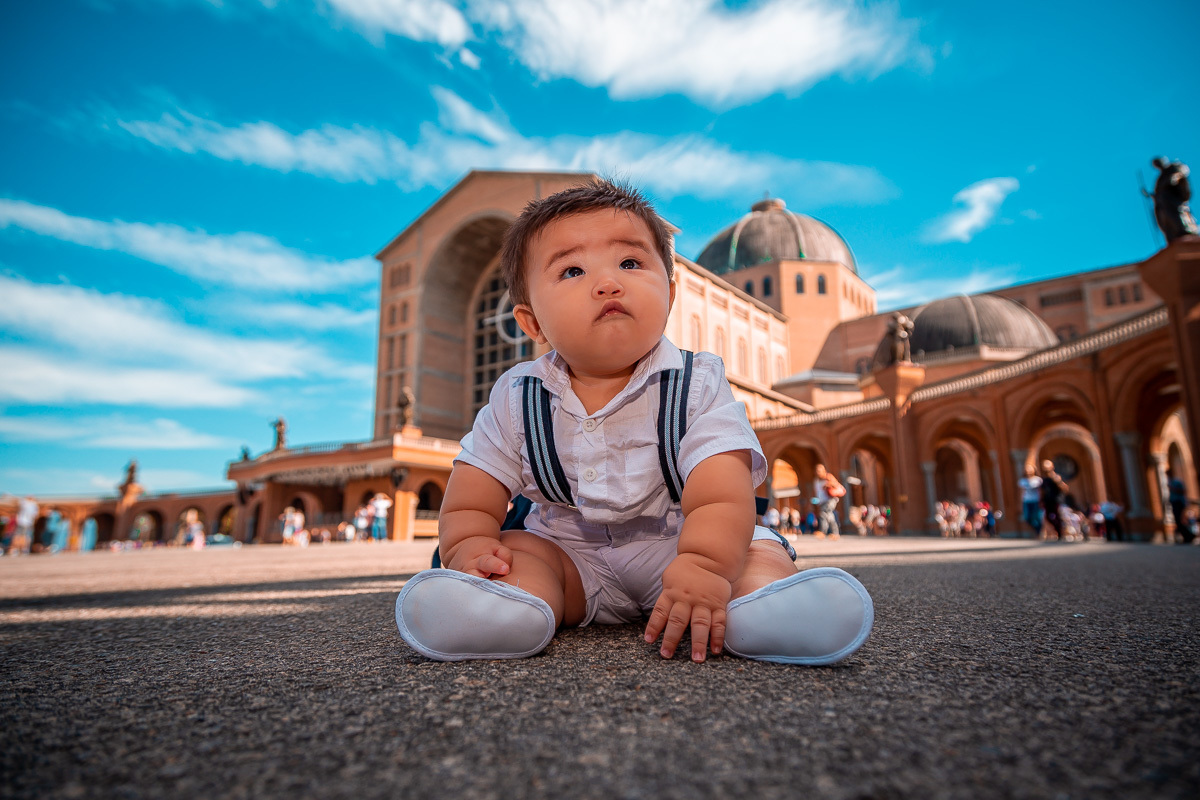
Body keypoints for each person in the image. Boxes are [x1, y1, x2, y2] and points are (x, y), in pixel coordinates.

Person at [395, 180, 873, 665]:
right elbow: (472, 492)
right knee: (518, 551)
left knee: (753, 552)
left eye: (629, 263)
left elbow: (720, 488)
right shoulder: (517, 396)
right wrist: (470, 547)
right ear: (532, 322)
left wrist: (706, 565)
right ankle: (499, 611)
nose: (607, 283)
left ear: (669, 294)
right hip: (572, 557)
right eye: (573, 270)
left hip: (683, 544)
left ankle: (767, 611)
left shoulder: (697, 382)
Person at [812, 464, 844, 539]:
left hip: (831, 499)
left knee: (824, 513)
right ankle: (834, 533)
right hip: (822, 501)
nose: (818, 472)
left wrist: (828, 484)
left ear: (824, 470)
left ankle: (825, 531)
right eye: (817, 471)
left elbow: (836, 484)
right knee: (827, 515)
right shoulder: (816, 480)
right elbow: (816, 491)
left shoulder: (828, 477)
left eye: (820, 471)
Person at [1039, 460, 1068, 541]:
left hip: (1056, 500)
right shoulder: (1044, 479)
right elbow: (1042, 491)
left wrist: (1058, 482)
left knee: (1058, 516)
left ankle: (1060, 533)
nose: (1046, 469)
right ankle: (1057, 530)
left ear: (1052, 467)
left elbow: (1065, 489)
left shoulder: (1057, 477)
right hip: (1047, 501)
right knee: (1048, 517)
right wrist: (1041, 500)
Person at [1017, 463, 1043, 538]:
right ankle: (1037, 530)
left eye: (1030, 468)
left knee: (1037, 517)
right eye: (1027, 469)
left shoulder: (1038, 480)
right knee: (1027, 517)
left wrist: (1041, 501)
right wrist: (1020, 503)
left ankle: (1038, 532)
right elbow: (1021, 492)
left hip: (1036, 500)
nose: (1028, 470)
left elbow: (1040, 491)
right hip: (1026, 501)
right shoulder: (1022, 481)